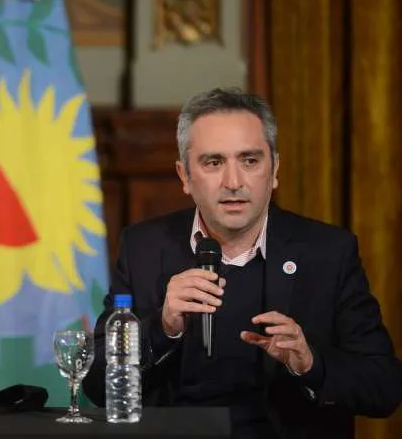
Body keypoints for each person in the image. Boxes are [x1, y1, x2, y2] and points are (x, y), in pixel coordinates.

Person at [82, 88, 401, 438]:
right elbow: (96, 384)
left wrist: (310, 364)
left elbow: (384, 387)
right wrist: (163, 327)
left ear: (274, 170)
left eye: (250, 161)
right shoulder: (144, 247)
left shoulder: (327, 252)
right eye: (214, 162)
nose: (233, 182)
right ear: (185, 176)